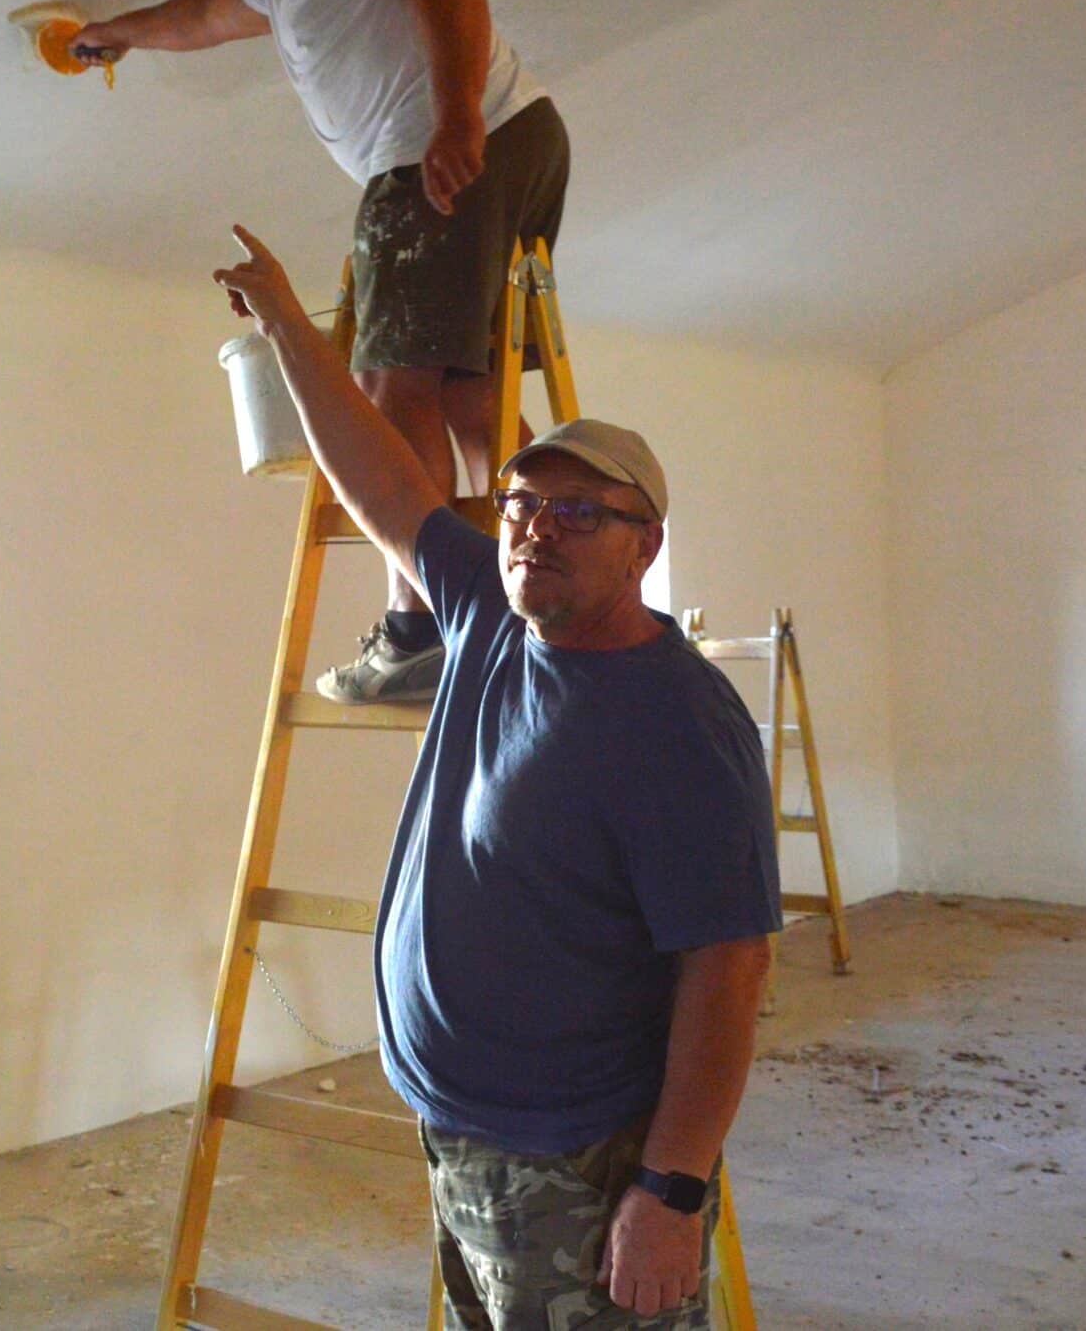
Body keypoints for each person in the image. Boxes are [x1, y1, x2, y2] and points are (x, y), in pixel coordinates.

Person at [211, 226, 780, 1330]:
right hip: (461, 1133)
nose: (536, 531)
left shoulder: (677, 720)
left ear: (644, 545)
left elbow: (730, 970)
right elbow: (378, 472)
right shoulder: (485, 610)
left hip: (577, 1160)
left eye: (580, 513)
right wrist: (285, 322)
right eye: (520, 504)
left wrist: (671, 1190)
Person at [76, 0, 568, 706]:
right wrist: (118, 33)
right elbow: (205, 14)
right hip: (501, 140)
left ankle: (419, 628)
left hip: (441, 155)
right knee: (471, 393)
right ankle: (557, 598)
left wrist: (456, 116)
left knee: (390, 389)